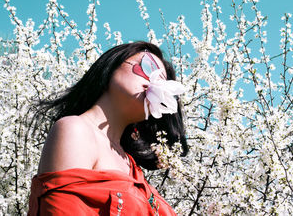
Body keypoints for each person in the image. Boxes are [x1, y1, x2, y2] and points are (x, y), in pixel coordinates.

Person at [28, 41, 188, 215]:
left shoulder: (133, 167)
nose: (155, 84)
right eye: (147, 68)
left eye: (162, 82)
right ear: (110, 67)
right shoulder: (76, 130)